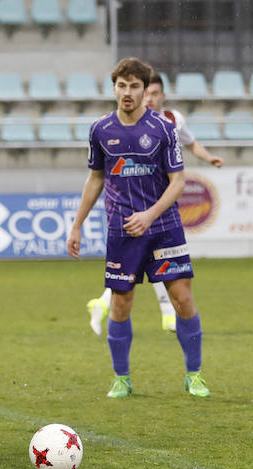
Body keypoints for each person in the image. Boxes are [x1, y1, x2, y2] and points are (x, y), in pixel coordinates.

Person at [66, 57, 209, 399]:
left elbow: (178, 182)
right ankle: (122, 378)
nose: (127, 92)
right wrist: (76, 225)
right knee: (121, 303)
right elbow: (95, 178)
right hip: (121, 230)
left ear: (146, 91)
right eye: (121, 85)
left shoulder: (163, 129)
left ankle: (195, 375)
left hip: (164, 227)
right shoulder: (100, 130)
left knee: (182, 298)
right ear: (114, 88)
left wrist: (150, 214)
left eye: (134, 86)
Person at [85, 71, 225, 336]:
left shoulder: (172, 121)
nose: (148, 98)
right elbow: (98, 175)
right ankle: (156, 315)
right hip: (134, 210)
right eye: (145, 93)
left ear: (162, 96)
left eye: (152, 93)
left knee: (149, 269)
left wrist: (209, 159)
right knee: (139, 273)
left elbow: (192, 144)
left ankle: (112, 307)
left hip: (161, 204)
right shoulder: (125, 124)